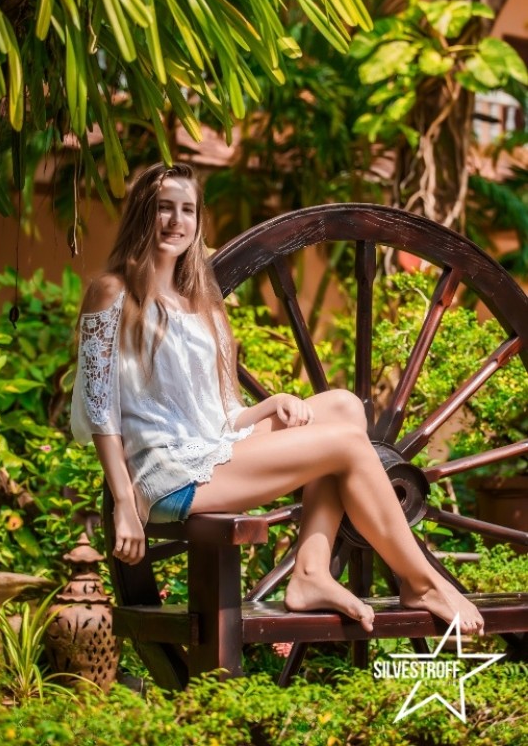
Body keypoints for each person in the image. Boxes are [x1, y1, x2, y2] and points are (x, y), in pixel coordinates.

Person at [71, 162, 485, 637]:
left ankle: (310, 572)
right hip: (167, 474)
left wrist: (271, 406)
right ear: (143, 214)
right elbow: (100, 406)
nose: (175, 221)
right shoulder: (113, 292)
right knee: (347, 443)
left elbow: (221, 416)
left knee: (344, 408)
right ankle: (421, 582)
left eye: (187, 210)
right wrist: (124, 502)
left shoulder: (202, 303)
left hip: (210, 450)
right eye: (164, 208)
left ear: (198, 221)